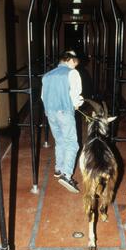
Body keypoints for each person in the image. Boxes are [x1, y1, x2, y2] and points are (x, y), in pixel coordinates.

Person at [41, 50, 84, 193]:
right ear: (71, 60)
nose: (75, 66)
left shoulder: (47, 75)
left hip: (50, 113)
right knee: (72, 143)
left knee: (59, 141)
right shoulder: (72, 73)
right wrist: (78, 104)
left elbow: (43, 96)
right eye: (75, 63)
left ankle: (58, 169)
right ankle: (66, 175)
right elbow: (75, 96)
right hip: (64, 112)